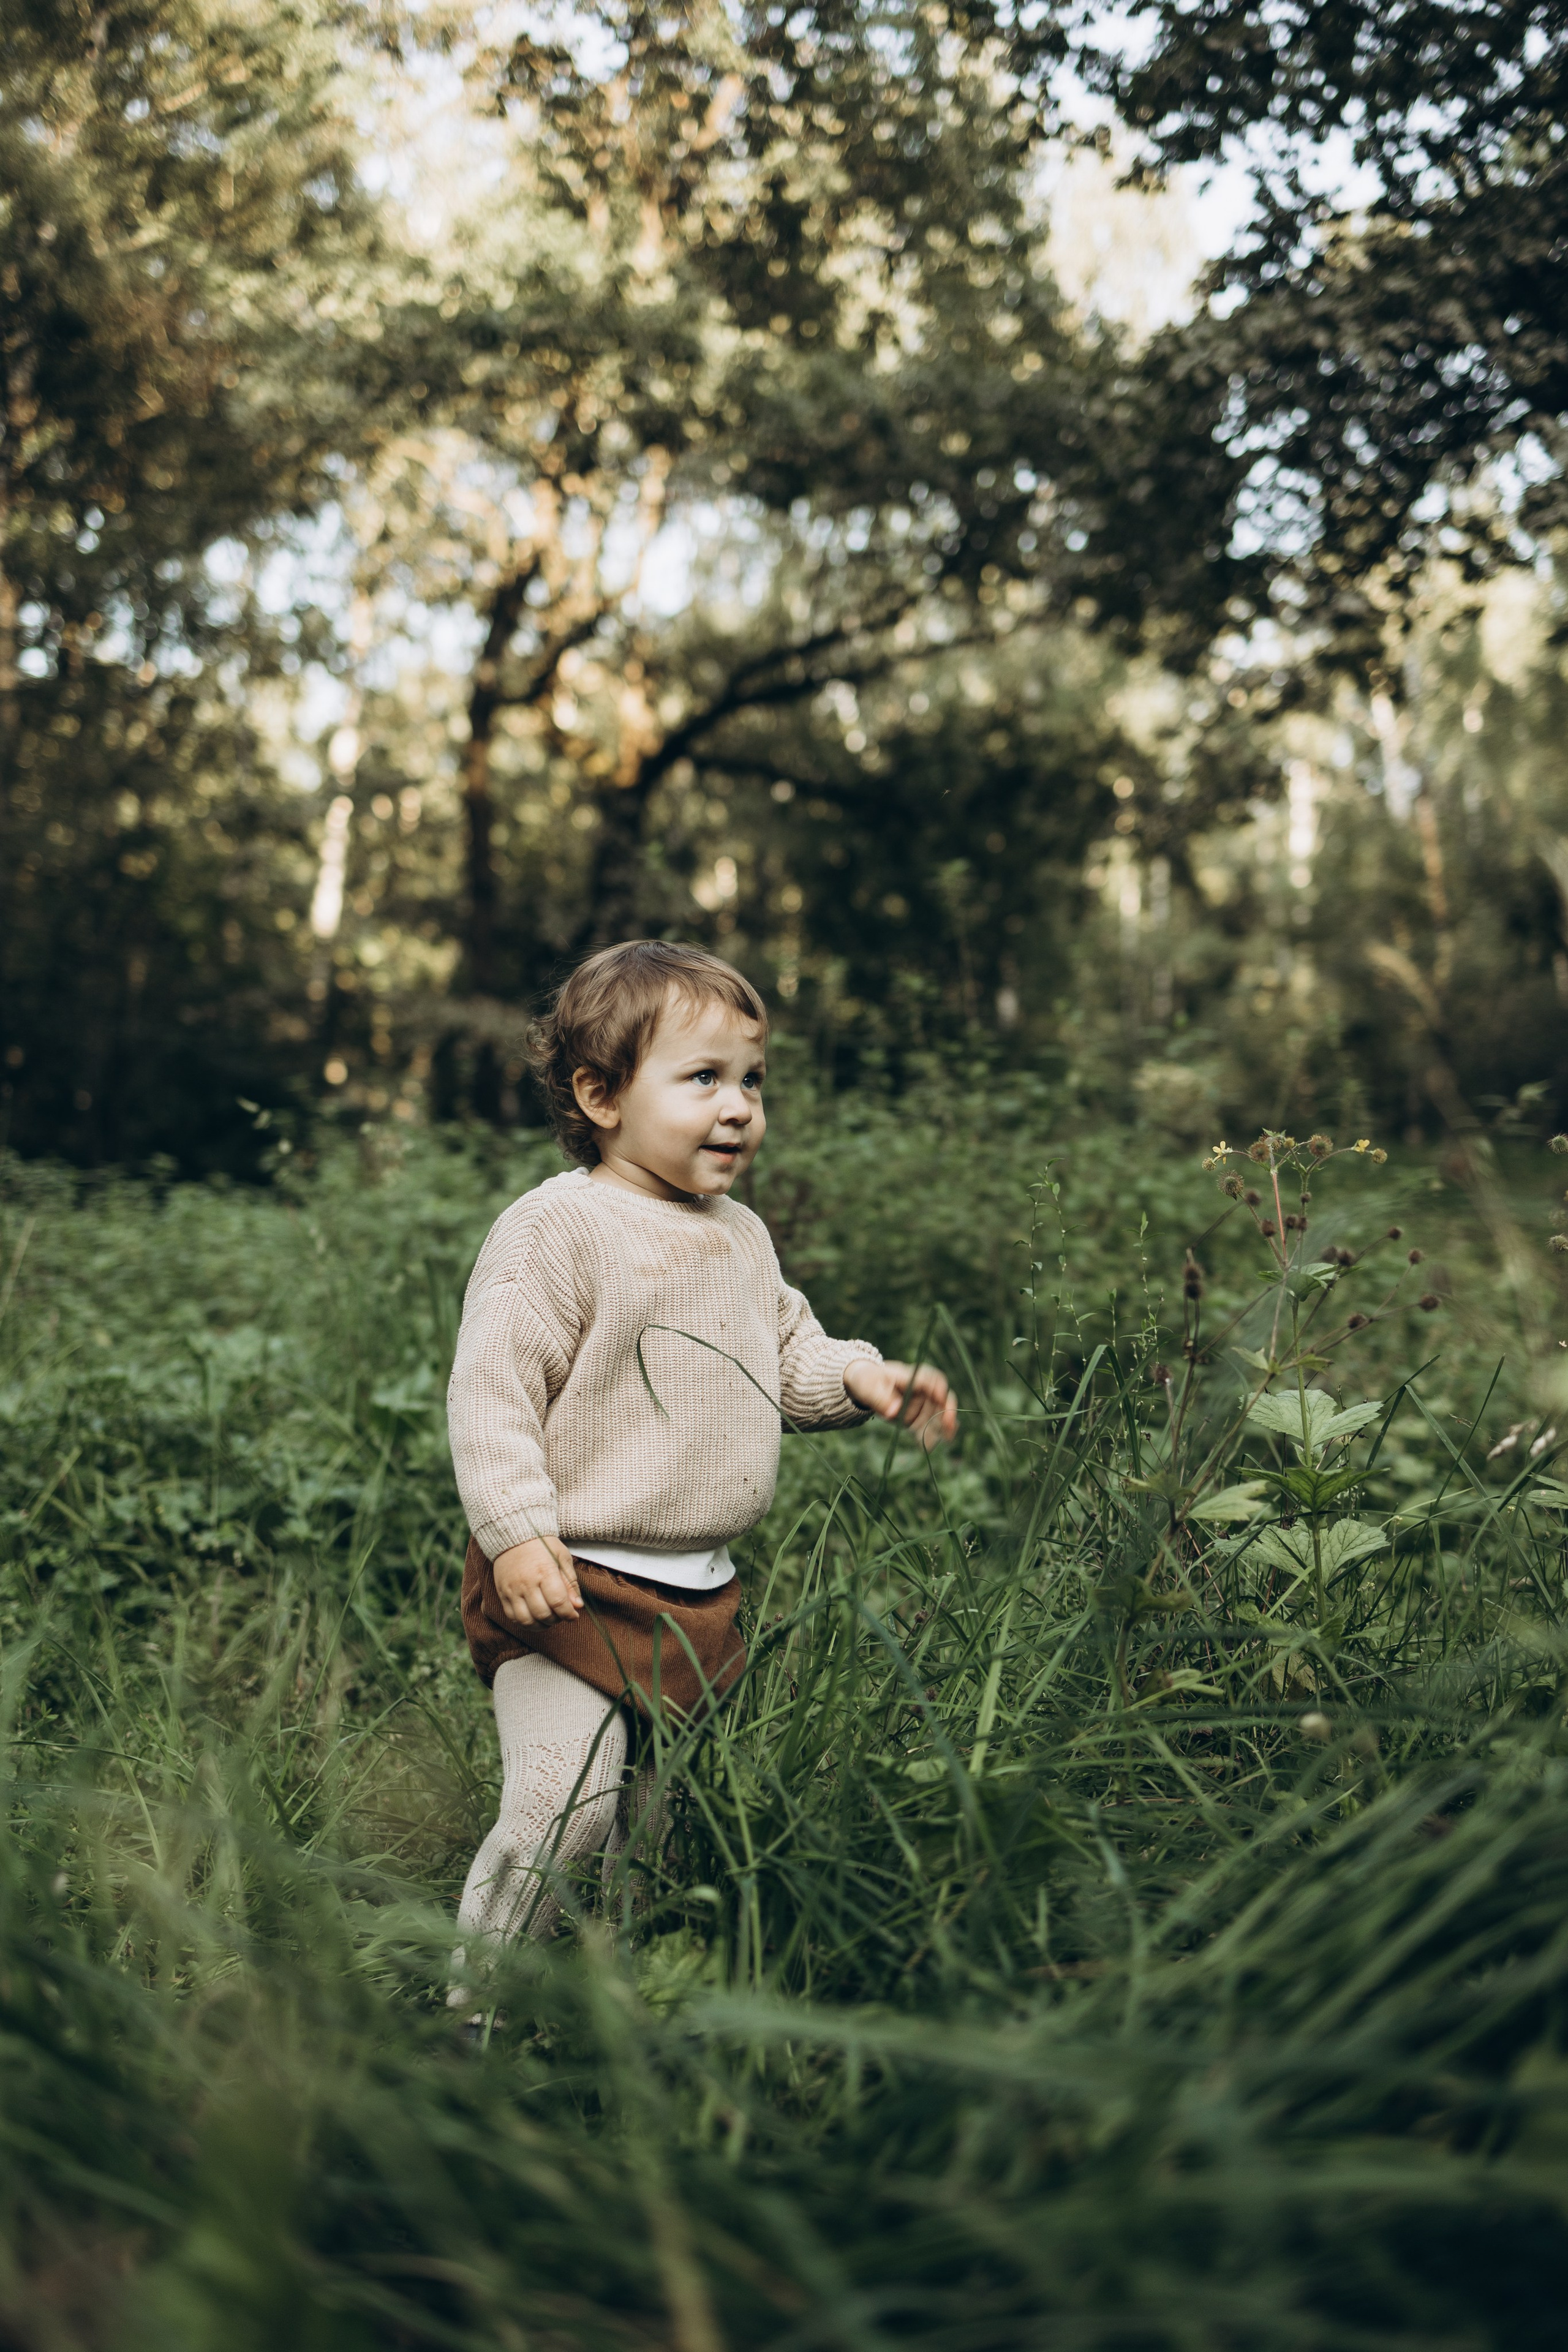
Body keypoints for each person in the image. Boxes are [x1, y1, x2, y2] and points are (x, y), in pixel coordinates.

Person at [446, 938, 957, 1958]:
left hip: (697, 1599)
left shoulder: (740, 1235)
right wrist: (515, 1533)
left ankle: (623, 1977)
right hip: (566, 1582)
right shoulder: (561, 1230)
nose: (739, 1108)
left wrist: (859, 1378)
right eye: (704, 1079)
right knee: (566, 1803)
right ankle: (479, 1997)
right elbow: (493, 1391)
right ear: (600, 1095)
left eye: (752, 1081)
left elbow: (785, 1356)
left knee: (661, 1822)